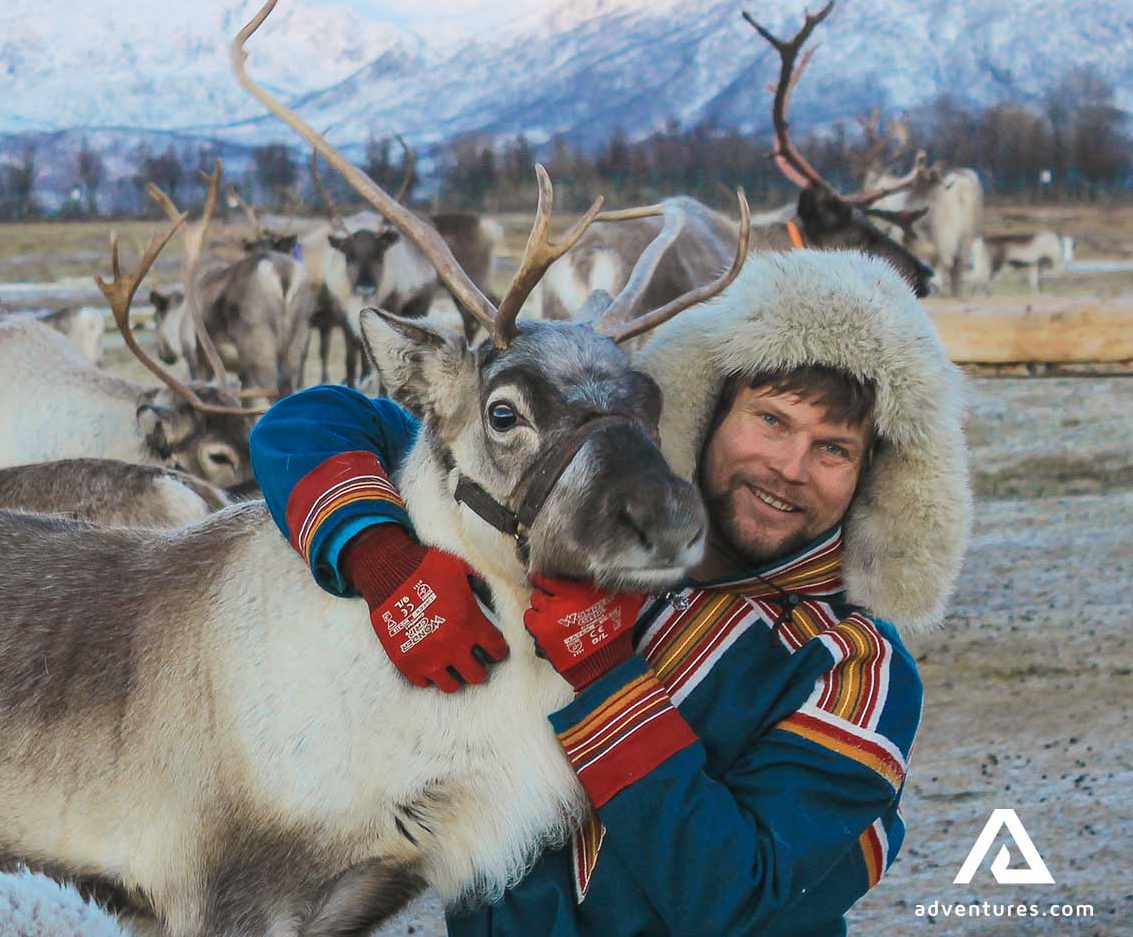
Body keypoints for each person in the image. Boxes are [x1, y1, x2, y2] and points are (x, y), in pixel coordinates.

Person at [249, 250, 971, 936]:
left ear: (875, 479)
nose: (789, 466)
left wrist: (606, 675)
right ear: (708, 409)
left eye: (833, 449)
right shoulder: (590, 527)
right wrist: (383, 560)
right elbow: (313, 420)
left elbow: (738, 900)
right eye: (772, 421)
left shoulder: (853, 669)